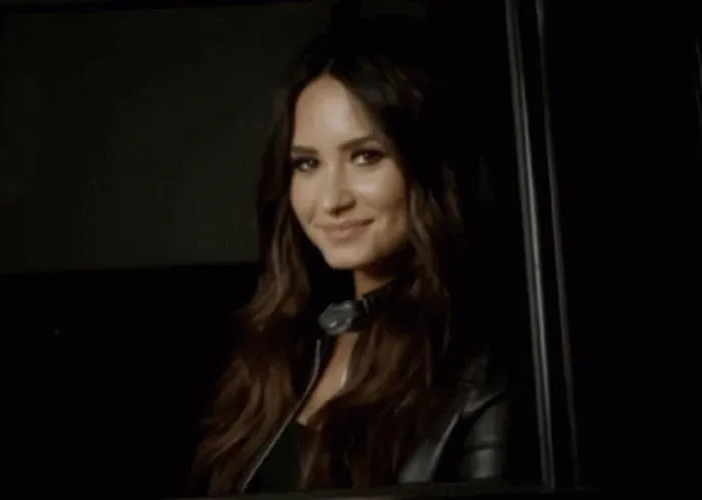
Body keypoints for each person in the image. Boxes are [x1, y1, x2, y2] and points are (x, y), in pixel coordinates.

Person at [191, 22, 510, 496]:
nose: (331, 200)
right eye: (307, 163)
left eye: (366, 156)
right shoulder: (284, 347)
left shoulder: (479, 373)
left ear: (429, 167)